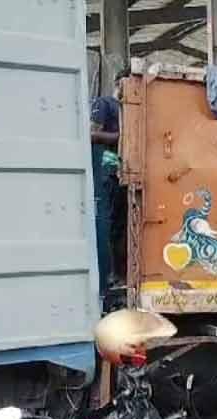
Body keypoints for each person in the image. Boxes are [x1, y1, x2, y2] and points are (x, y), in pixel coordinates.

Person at [91, 67, 128, 298]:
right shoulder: (105, 104)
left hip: (128, 171)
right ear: (119, 83)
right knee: (113, 225)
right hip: (111, 170)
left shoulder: (132, 107)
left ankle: (124, 273)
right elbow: (92, 133)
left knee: (125, 227)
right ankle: (114, 275)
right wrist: (124, 136)